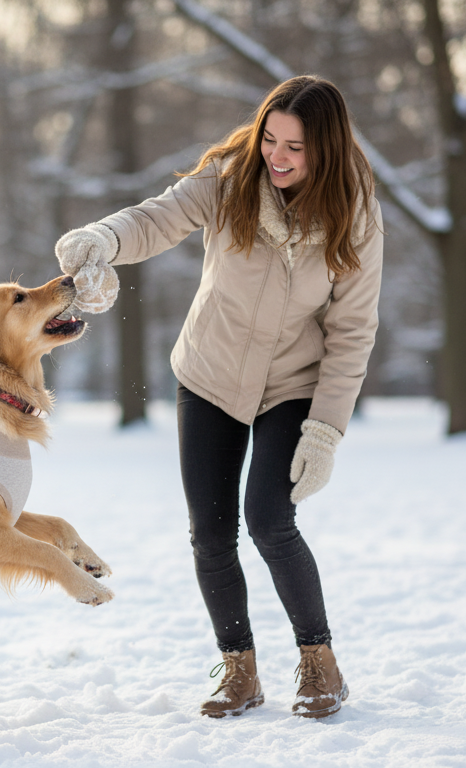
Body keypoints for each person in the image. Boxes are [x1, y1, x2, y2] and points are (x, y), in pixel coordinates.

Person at [55, 76, 383, 719]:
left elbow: (353, 333)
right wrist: (104, 240)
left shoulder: (357, 215)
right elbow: (157, 218)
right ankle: (239, 671)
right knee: (210, 532)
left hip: (292, 384)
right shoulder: (230, 178)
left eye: (297, 146)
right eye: (270, 138)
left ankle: (320, 664)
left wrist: (325, 431)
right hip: (210, 373)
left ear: (329, 149)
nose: (278, 156)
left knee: (269, 520)